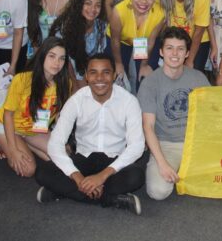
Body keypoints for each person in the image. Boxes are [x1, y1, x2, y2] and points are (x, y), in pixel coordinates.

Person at [35, 53, 145, 214]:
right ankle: (112, 199)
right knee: (42, 171)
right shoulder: (76, 100)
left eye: (106, 72)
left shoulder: (129, 101)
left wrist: (102, 176)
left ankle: (63, 192)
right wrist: (78, 177)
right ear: (86, 76)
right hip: (83, 160)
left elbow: (137, 146)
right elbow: (55, 144)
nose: (99, 78)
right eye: (93, 72)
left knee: (136, 176)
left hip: (114, 163)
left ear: (114, 75)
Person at [139, 27, 210, 200]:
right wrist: (162, 164)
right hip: (166, 145)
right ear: (161, 52)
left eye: (180, 49)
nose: (175, 54)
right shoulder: (150, 83)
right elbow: (148, 127)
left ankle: (187, 173)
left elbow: (216, 110)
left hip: (196, 143)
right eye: (169, 48)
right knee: (158, 191)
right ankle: (180, 172)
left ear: (187, 53)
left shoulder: (199, 78)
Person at [0, 37, 71, 175]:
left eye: (61, 58)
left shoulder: (65, 83)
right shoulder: (22, 80)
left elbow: (58, 115)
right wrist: (13, 150)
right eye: (52, 56)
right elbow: (8, 115)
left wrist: (60, 140)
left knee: (64, 157)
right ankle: (2, 140)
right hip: (8, 125)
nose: (57, 63)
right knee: (28, 170)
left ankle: (23, 143)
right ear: (42, 56)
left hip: (35, 128)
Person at [107, 0, 165, 93]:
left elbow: (151, 41)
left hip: (142, 42)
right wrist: (118, 63)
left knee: (142, 77)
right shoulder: (119, 11)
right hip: (120, 42)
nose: (144, 1)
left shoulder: (160, 14)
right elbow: (115, 40)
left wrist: (144, 65)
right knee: (117, 75)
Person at [50, 0, 107, 88]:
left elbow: (99, 54)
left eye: (97, 5)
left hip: (89, 71)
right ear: (80, 4)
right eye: (88, 3)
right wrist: (75, 84)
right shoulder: (65, 28)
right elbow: (65, 61)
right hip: (65, 72)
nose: (93, 9)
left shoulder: (101, 25)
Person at [156, 0, 210, 70]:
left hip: (197, 41)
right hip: (173, 39)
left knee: (191, 72)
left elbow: (199, 32)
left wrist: (189, 60)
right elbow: (160, 28)